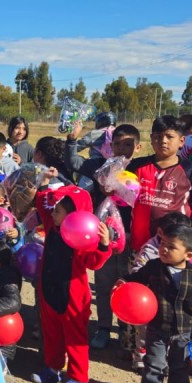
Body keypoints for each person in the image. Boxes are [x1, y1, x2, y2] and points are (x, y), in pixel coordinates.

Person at [63, 122, 143, 351]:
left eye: (128, 144)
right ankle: (104, 328)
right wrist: (71, 140)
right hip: (104, 235)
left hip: (131, 236)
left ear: (138, 147)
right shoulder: (101, 165)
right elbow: (74, 162)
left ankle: (127, 331)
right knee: (105, 281)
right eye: (116, 144)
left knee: (127, 283)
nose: (121, 149)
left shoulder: (141, 168)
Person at [31, 181, 111, 383]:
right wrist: (48, 185)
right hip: (49, 289)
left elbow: (94, 262)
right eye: (55, 209)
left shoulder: (80, 239)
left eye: (59, 211)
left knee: (75, 339)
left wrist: (104, 245)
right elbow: (41, 202)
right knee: (52, 333)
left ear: (74, 215)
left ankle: (78, 378)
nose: (53, 213)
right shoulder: (51, 226)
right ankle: (53, 368)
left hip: (73, 296)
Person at [127, 223, 192, 383]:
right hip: (157, 325)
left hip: (184, 330)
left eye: (171, 246)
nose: (164, 249)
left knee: (180, 365)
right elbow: (136, 279)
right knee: (154, 362)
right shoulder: (154, 266)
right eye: (163, 243)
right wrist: (124, 282)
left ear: (188, 255)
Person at [128, 212, 192, 370]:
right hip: (150, 300)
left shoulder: (185, 254)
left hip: (173, 305)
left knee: (172, 334)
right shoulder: (150, 250)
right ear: (160, 233)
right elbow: (138, 270)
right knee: (145, 332)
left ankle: (166, 359)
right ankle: (142, 358)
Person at [128, 116, 192, 256]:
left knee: (169, 278)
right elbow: (121, 196)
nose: (163, 141)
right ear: (150, 138)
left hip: (175, 248)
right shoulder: (136, 166)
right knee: (138, 277)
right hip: (138, 245)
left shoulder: (190, 169)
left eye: (169, 136)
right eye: (158, 136)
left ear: (181, 141)